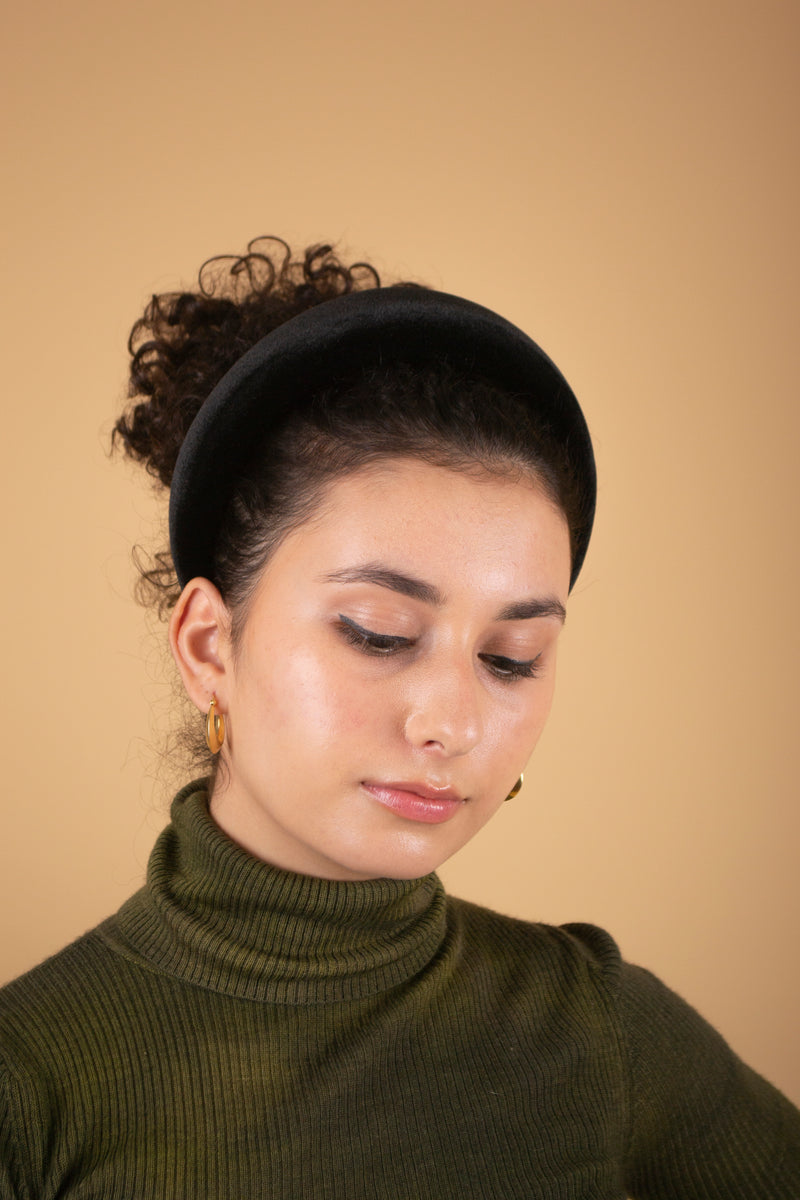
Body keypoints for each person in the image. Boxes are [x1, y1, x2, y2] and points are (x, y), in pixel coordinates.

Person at [0, 238, 797, 1199]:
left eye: (513, 659)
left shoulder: (601, 1031)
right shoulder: (30, 1085)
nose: (452, 722)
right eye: (380, 634)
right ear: (211, 646)